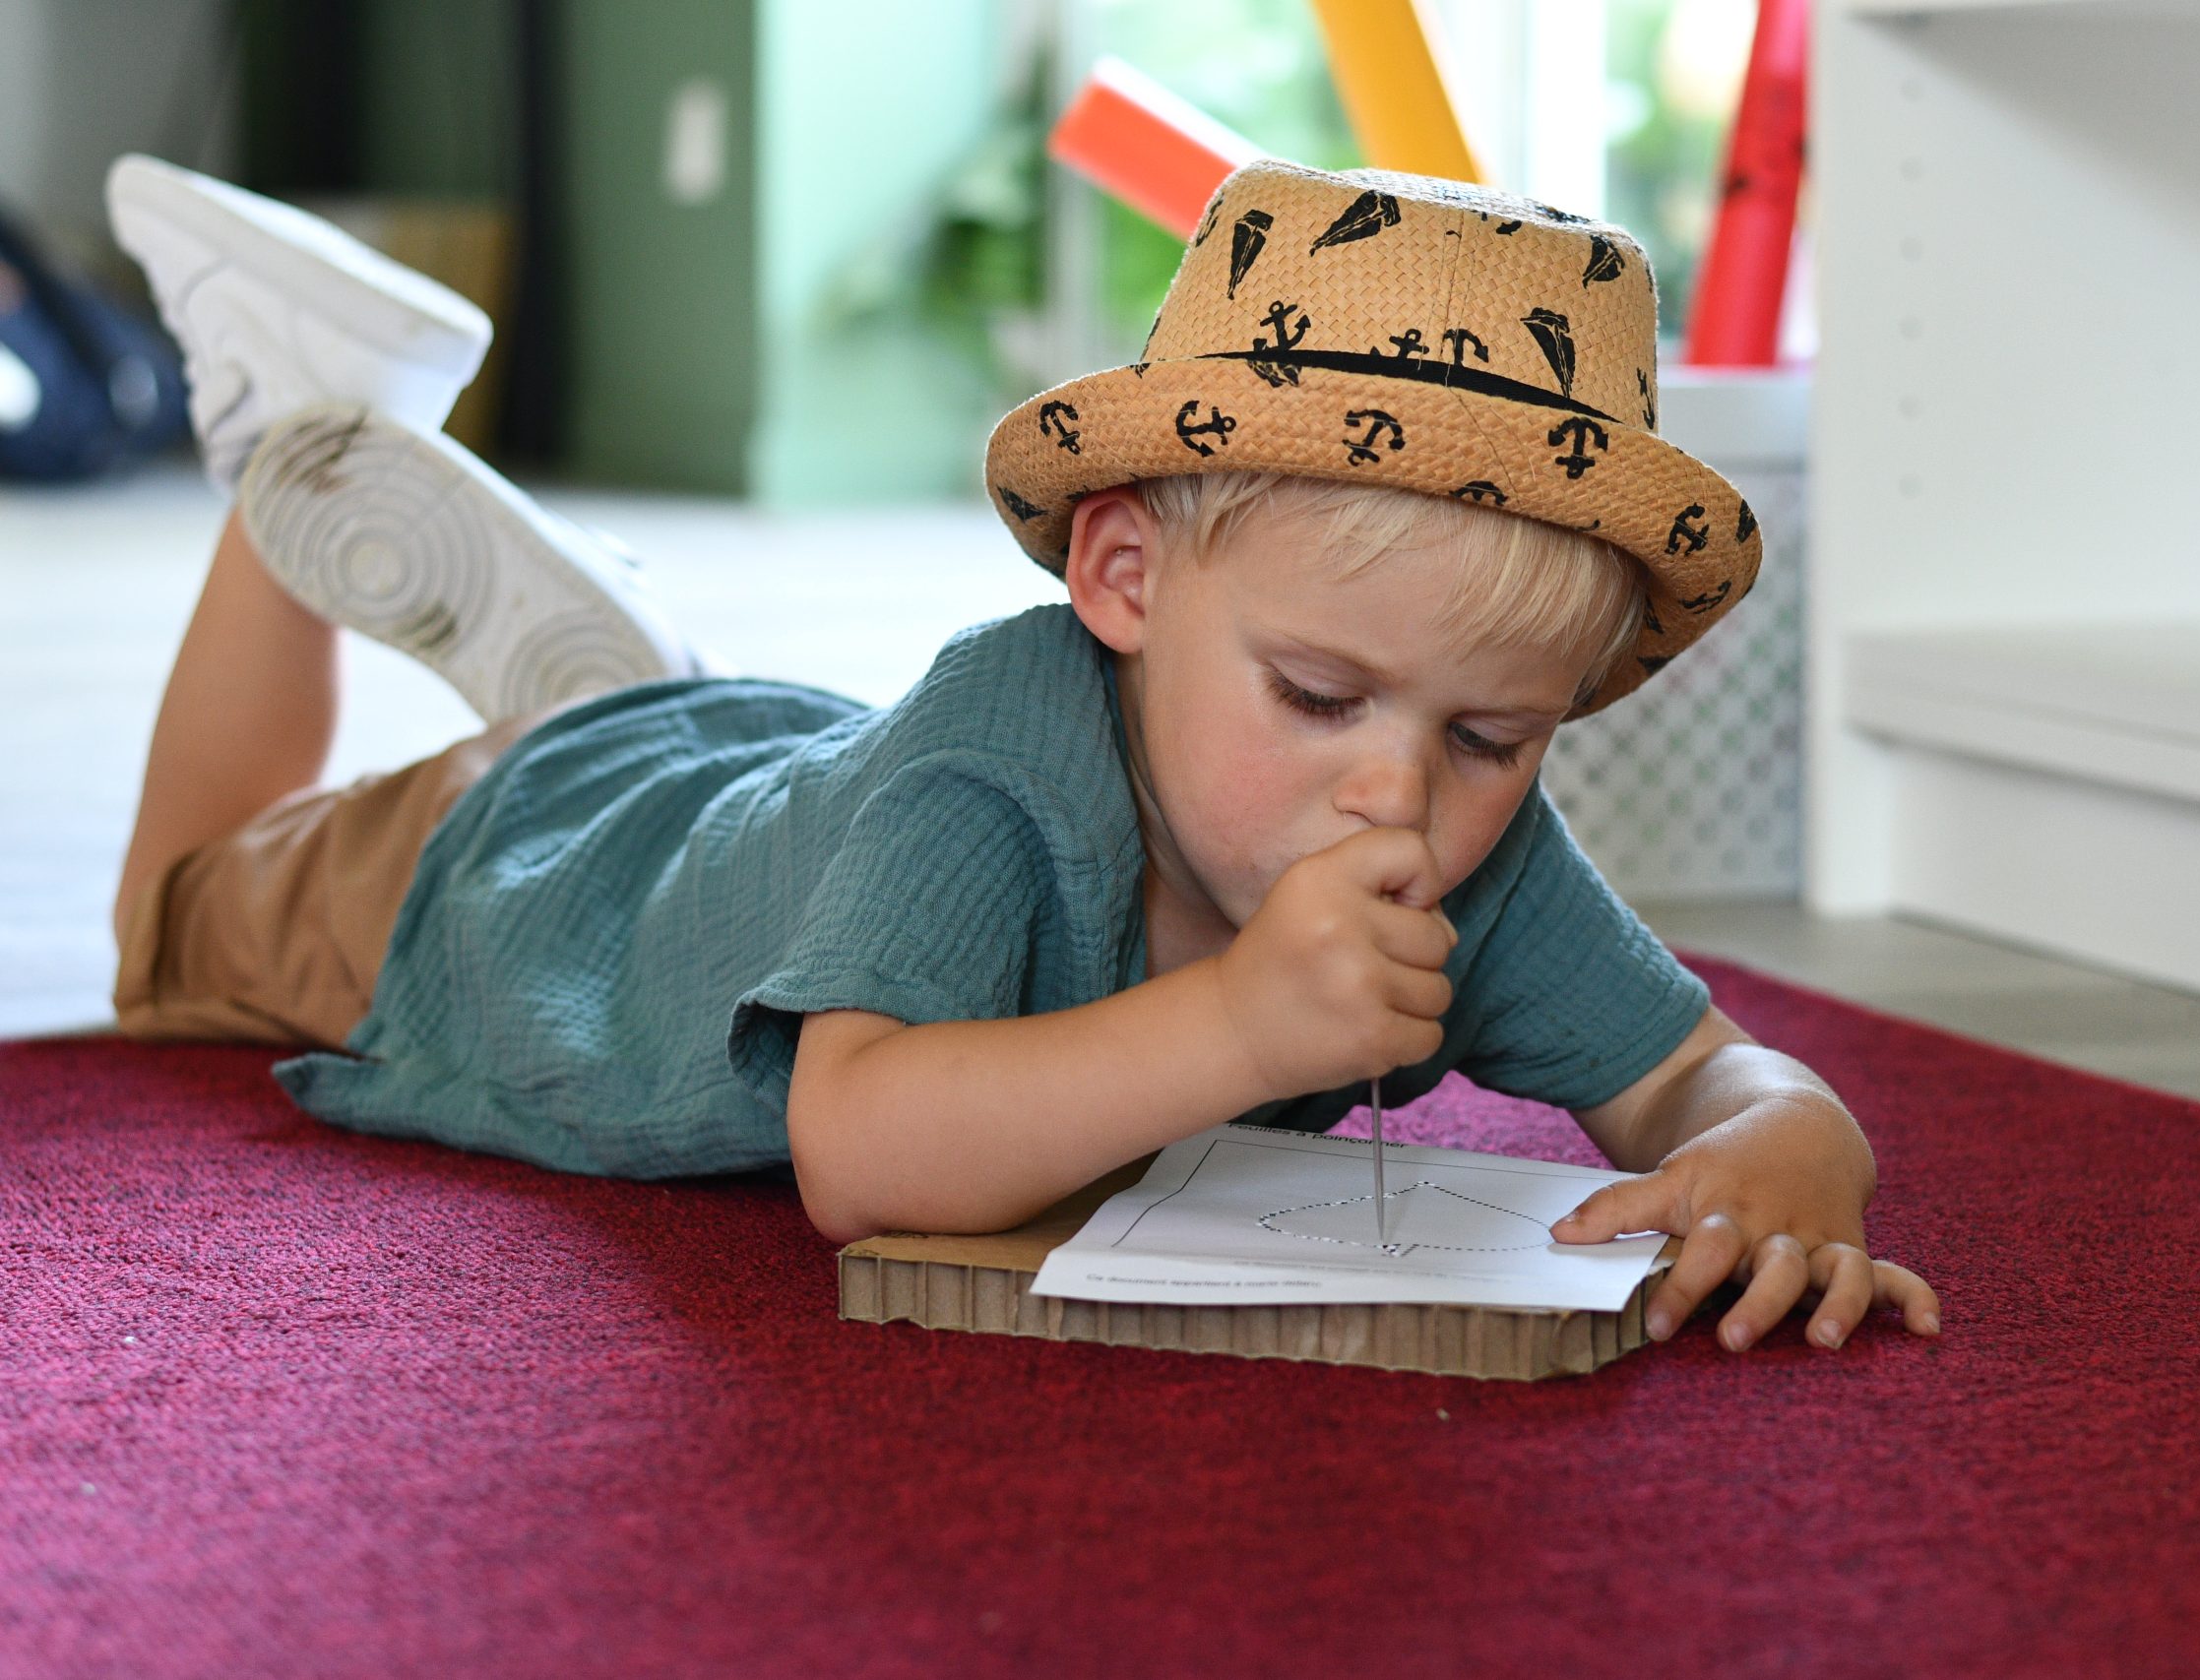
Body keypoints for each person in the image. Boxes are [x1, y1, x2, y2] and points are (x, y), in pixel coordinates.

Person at [104, 153, 1940, 1354]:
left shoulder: (1476, 846)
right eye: (1317, 697)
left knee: (732, 783)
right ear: (1121, 579)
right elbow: (858, 1155)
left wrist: (1789, 1147)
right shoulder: (996, 765)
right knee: (171, 937)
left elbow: (1704, 1070)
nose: (1398, 795)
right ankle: (299, 435)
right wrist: (1241, 1030)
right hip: (541, 890)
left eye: (1489, 734)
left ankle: (610, 672)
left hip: (793, 790)